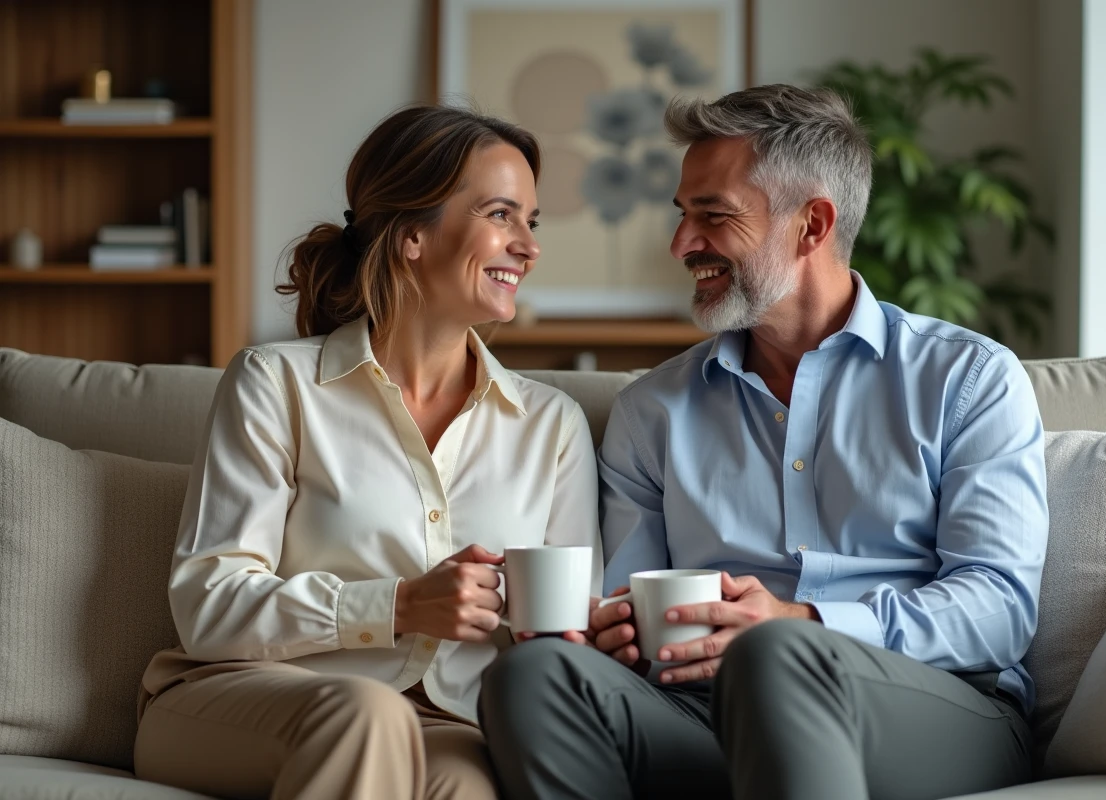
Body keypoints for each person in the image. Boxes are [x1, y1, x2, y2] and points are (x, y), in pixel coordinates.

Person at [479, 85, 1048, 800]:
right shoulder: (652, 410)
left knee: (778, 654)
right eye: (683, 216)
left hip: (936, 709)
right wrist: (615, 633)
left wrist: (802, 622)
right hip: (703, 711)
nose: (683, 244)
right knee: (533, 675)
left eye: (713, 216)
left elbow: (998, 608)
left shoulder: (967, 379)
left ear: (812, 225)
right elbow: (629, 603)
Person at [132, 105, 602, 800]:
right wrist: (400, 605)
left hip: (446, 721)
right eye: (502, 215)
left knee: (468, 788)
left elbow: (570, 626)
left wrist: (571, 633)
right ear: (413, 233)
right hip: (247, 697)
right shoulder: (275, 383)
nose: (527, 247)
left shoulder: (551, 425)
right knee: (367, 714)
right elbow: (210, 604)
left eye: (531, 223)